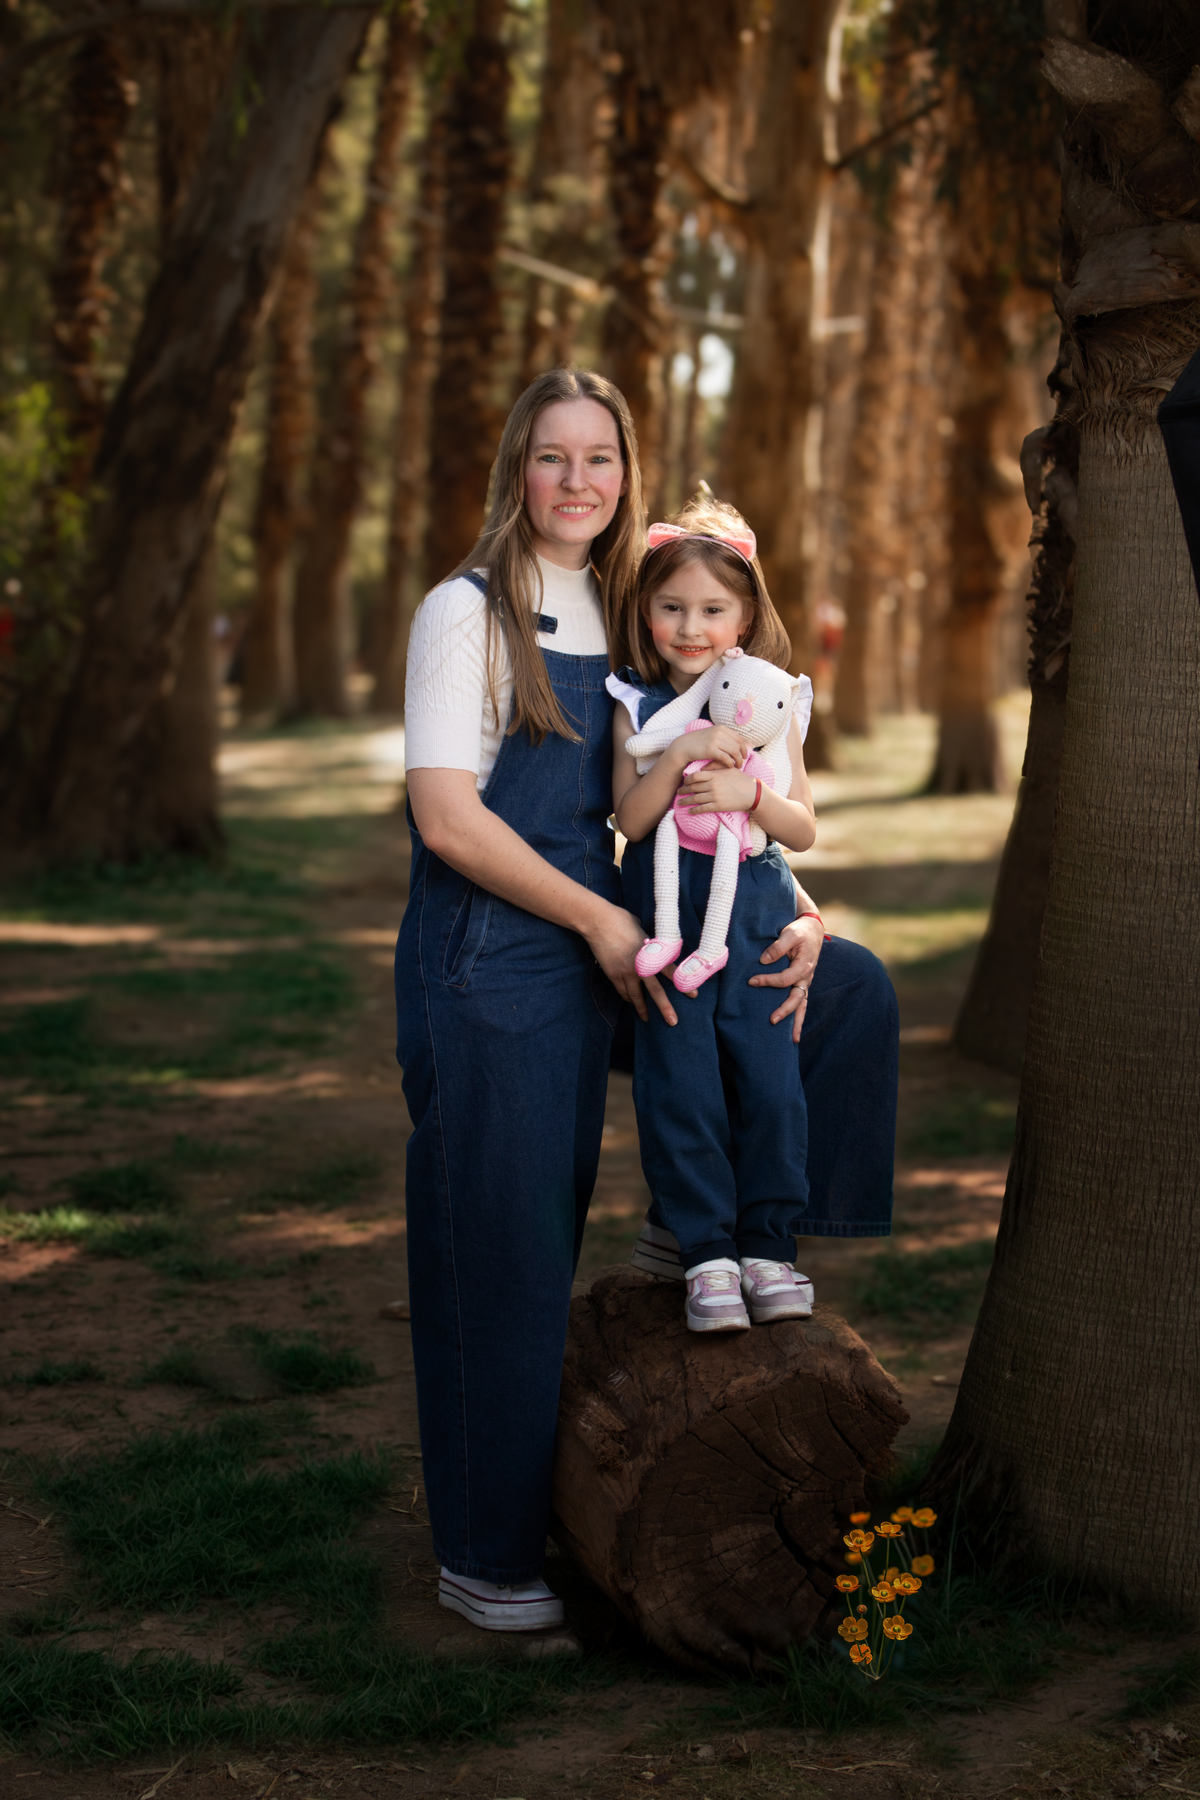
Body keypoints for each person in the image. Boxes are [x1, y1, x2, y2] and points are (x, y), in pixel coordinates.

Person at [395, 367, 892, 1640]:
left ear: (628, 474)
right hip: (499, 954)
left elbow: (730, 765)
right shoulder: (468, 613)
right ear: (519, 467)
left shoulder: (632, 611)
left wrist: (793, 902)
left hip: (651, 927)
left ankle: (717, 1230)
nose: (578, 482)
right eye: (553, 457)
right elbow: (449, 820)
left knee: (844, 995)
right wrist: (601, 919)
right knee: (508, 1249)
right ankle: (486, 1555)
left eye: (601, 459)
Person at [609, 497, 821, 1331]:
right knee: (681, 1083)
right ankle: (704, 1259)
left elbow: (801, 827)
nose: (690, 626)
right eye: (671, 607)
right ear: (647, 612)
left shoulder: (773, 700)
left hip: (755, 907)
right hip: (667, 911)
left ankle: (768, 1249)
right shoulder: (633, 702)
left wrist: (752, 792)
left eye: (711, 609)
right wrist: (683, 755)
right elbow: (628, 819)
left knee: (770, 1084)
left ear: (744, 617)